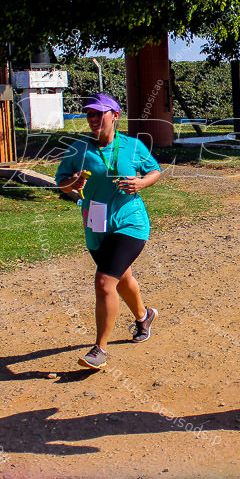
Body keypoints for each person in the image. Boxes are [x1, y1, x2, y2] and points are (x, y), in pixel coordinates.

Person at [56, 93, 162, 369]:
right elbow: (62, 183)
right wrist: (73, 183)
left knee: (104, 282)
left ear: (115, 115)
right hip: (96, 224)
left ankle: (99, 349)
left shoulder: (132, 146)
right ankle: (143, 316)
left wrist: (140, 183)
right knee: (120, 277)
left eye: (98, 113)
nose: (92, 119)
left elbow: (154, 171)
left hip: (130, 222)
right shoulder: (78, 150)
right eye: (89, 114)